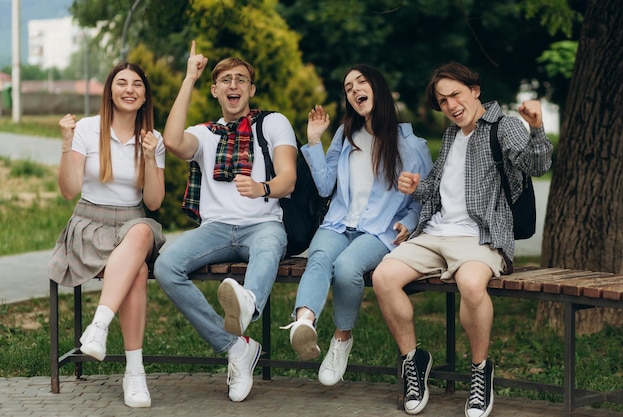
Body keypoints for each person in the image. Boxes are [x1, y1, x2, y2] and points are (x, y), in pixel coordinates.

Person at [371, 61, 553, 417]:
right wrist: (417, 187)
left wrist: (537, 128)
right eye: (442, 100)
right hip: (436, 233)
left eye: (455, 94)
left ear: (475, 90)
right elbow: (440, 187)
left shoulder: (505, 127)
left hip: (480, 237)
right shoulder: (453, 134)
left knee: (471, 285)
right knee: (383, 277)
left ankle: (480, 371)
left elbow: (536, 165)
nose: (451, 105)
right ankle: (414, 361)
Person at [154, 41, 297, 403]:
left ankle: (246, 301)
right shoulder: (205, 134)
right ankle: (235, 345)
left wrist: (262, 188)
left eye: (241, 80)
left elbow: (288, 179)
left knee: (268, 247)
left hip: (263, 223)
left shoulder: (273, 123)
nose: (234, 85)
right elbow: (171, 141)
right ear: (216, 90)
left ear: (251, 89)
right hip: (215, 230)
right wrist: (189, 78)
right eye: (226, 80)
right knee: (167, 266)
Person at [280, 64, 433, 386]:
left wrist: (408, 222)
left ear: (377, 87)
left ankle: (341, 339)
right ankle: (303, 322)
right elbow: (324, 186)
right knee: (319, 259)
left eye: (360, 83)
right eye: (348, 88)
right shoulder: (345, 135)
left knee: (348, 267)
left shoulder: (413, 145)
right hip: (338, 223)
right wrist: (312, 141)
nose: (354, 91)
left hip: (381, 230)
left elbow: (425, 198)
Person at [49, 63, 166, 408]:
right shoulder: (87, 129)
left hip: (131, 226)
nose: (129, 89)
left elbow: (154, 202)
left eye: (136, 85)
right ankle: (134, 372)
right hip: (90, 225)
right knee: (139, 271)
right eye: (121, 83)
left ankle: (99, 325)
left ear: (145, 96)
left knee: (143, 228)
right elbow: (69, 191)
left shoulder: (152, 139)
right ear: (110, 91)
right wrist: (67, 144)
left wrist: (148, 156)